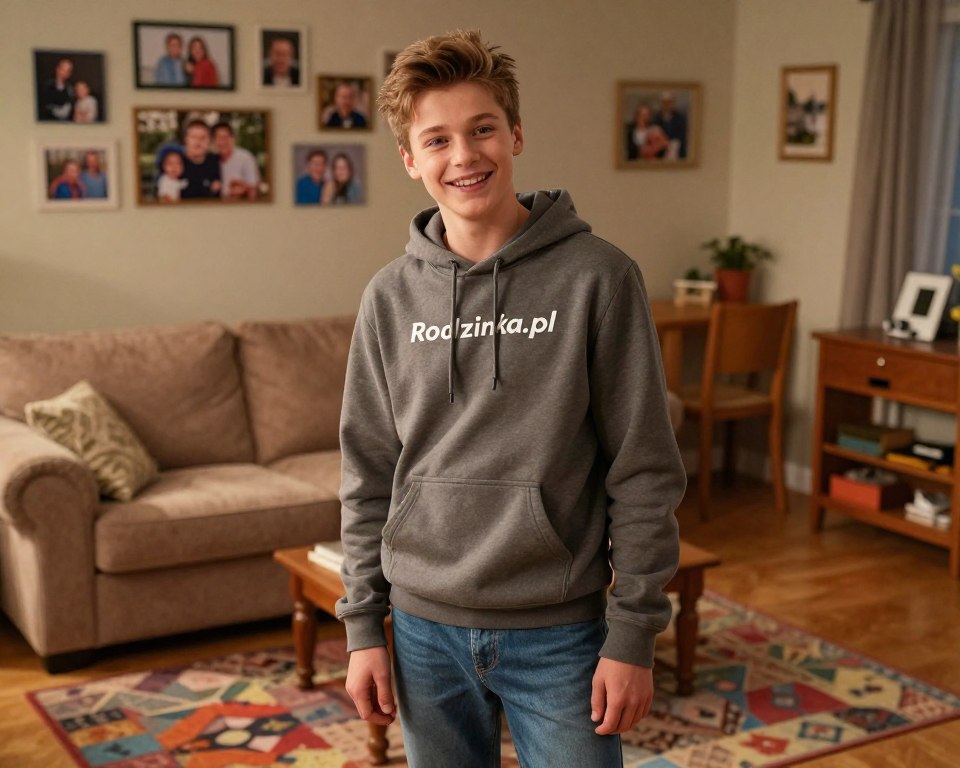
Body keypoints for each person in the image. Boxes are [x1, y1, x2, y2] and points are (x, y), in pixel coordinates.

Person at [336, 29, 685, 767]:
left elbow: (644, 468)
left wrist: (634, 635)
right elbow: (367, 471)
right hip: (422, 632)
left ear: (516, 132)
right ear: (410, 160)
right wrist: (364, 627)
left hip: (560, 635)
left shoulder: (599, 278)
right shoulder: (389, 298)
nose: (463, 157)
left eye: (482, 129)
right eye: (437, 140)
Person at [212, 122, 260, 200]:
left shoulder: (245, 158)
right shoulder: (211, 159)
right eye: (218, 138)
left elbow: (254, 190)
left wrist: (243, 188)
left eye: (225, 137)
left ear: (233, 139)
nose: (222, 142)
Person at [179, 119, 221, 198]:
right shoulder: (175, 163)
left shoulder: (217, 162)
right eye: (193, 137)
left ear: (209, 141)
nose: (198, 142)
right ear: (185, 139)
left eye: (203, 138)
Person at [653, 91, 688, 160]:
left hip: (676, 151)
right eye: (664, 102)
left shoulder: (680, 118)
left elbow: (682, 137)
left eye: (669, 102)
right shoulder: (656, 118)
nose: (667, 105)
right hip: (660, 153)